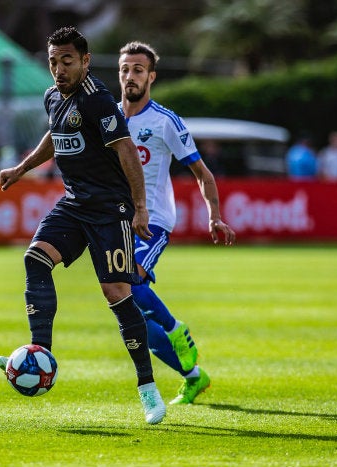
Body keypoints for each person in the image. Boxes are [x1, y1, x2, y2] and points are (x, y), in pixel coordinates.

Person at [0, 27, 165, 424]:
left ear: (85, 61)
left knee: (117, 294)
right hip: (74, 204)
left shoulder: (98, 100)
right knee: (35, 259)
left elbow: (126, 151)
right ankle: (39, 357)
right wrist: (22, 168)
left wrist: (140, 209)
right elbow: (55, 135)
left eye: (67, 61)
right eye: (53, 61)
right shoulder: (53, 96)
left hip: (110, 209)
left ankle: (148, 388)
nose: (59, 69)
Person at [118, 41, 236, 405]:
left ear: (151, 77)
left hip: (152, 221)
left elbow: (202, 172)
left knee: (130, 279)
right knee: (131, 316)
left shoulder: (165, 121)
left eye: (138, 69)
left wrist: (214, 215)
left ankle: (175, 329)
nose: (130, 76)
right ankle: (194, 376)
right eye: (125, 69)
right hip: (115, 220)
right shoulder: (108, 118)